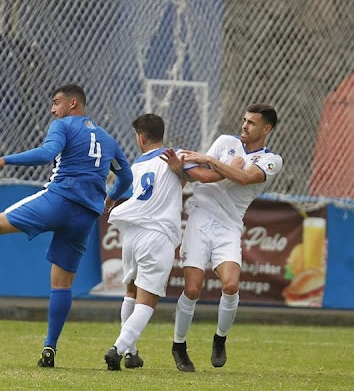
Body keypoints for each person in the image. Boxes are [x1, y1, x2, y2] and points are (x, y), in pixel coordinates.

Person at [0, 84, 132, 368]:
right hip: (86, 217)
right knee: (62, 283)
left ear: (73, 103)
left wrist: (5, 159)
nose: (53, 109)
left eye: (56, 102)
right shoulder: (107, 139)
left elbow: (46, 154)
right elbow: (126, 176)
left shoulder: (64, 126)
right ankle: (50, 347)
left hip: (58, 201)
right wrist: (111, 198)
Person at [171, 104, 283, 372]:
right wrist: (185, 166)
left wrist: (210, 160)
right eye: (244, 120)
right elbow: (207, 175)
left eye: (252, 123)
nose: (244, 126)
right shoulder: (225, 142)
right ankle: (179, 346)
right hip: (199, 218)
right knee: (192, 289)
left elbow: (244, 178)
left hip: (230, 226)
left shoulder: (271, 160)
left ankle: (220, 339)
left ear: (266, 129)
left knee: (231, 285)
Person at [102, 114, 188, 370]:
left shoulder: (135, 166)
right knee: (147, 300)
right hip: (156, 235)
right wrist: (181, 170)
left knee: (130, 292)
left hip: (131, 234)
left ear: (140, 137)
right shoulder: (175, 156)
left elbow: (123, 191)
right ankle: (118, 349)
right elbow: (197, 176)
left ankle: (132, 354)